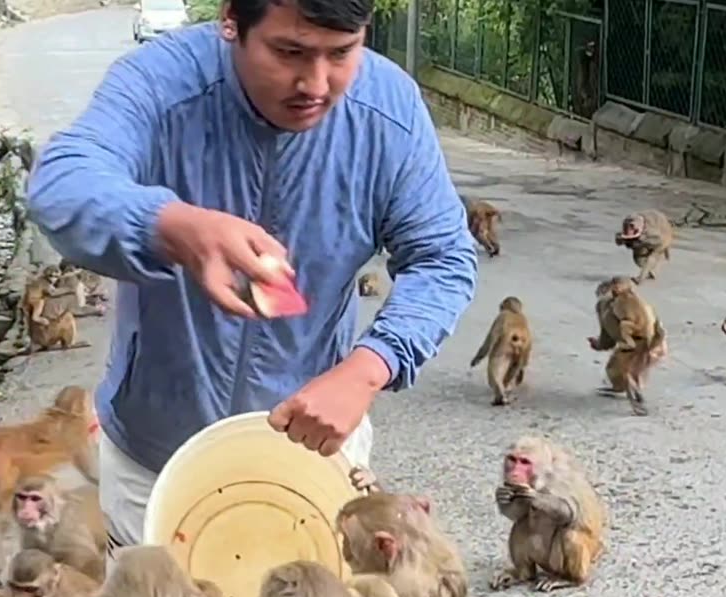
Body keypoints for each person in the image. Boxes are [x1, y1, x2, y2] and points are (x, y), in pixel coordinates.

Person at [26, 0, 478, 555]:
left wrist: (368, 368)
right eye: (289, 52)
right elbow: (61, 183)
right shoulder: (160, 81)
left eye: (341, 54)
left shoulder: (389, 113)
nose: (315, 83)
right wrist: (170, 224)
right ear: (231, 22)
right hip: (156, 457)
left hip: (312, 453)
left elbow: (443, 257)